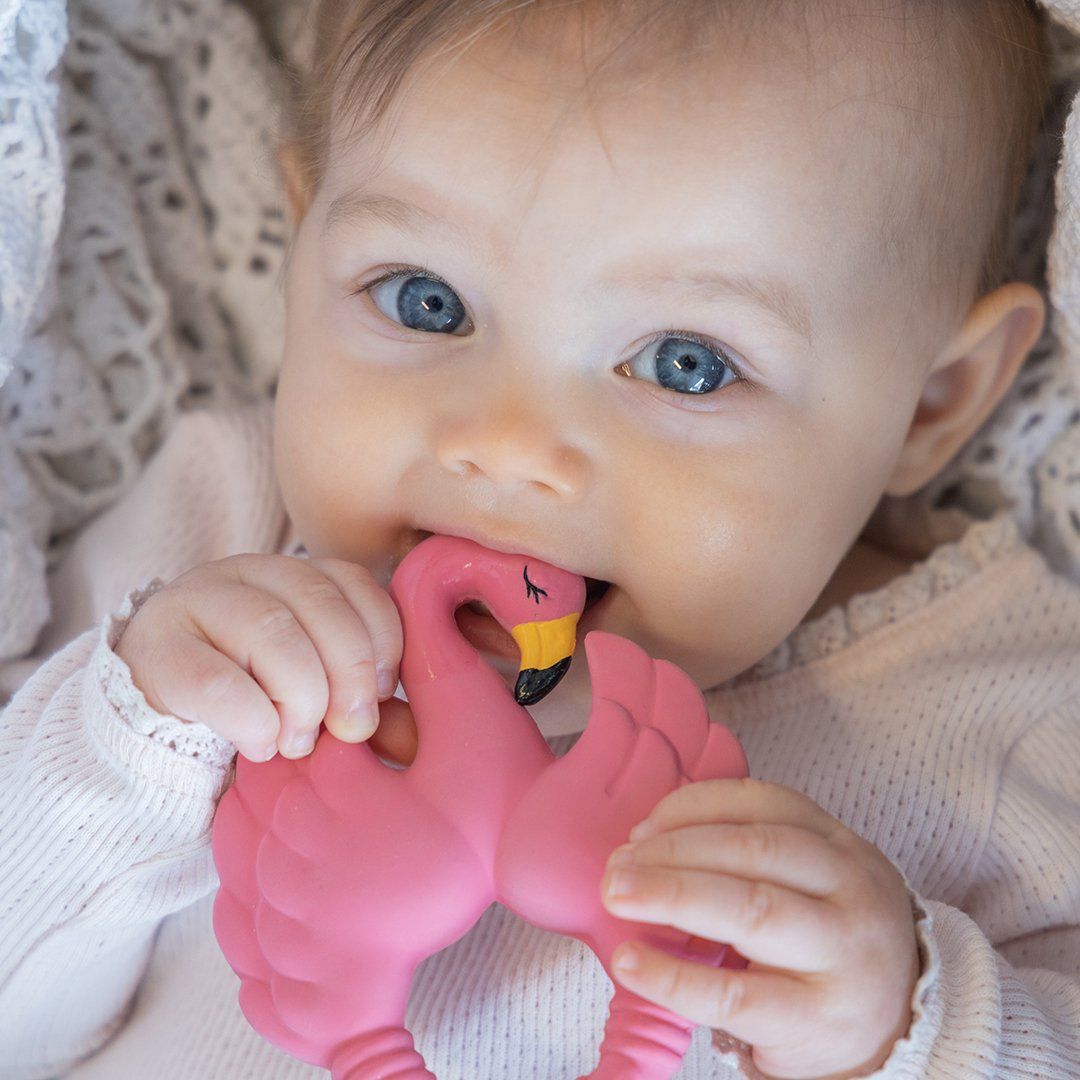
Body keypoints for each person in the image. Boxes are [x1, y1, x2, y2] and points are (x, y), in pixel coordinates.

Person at [2, 0, 1077, 1076]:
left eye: (685, 363)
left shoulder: (1014, 706)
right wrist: (124, 746)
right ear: (303, 241)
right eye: (425, 301)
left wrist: (908, 1027)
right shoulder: (218, 563)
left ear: (931, 403)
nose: (509, 449)